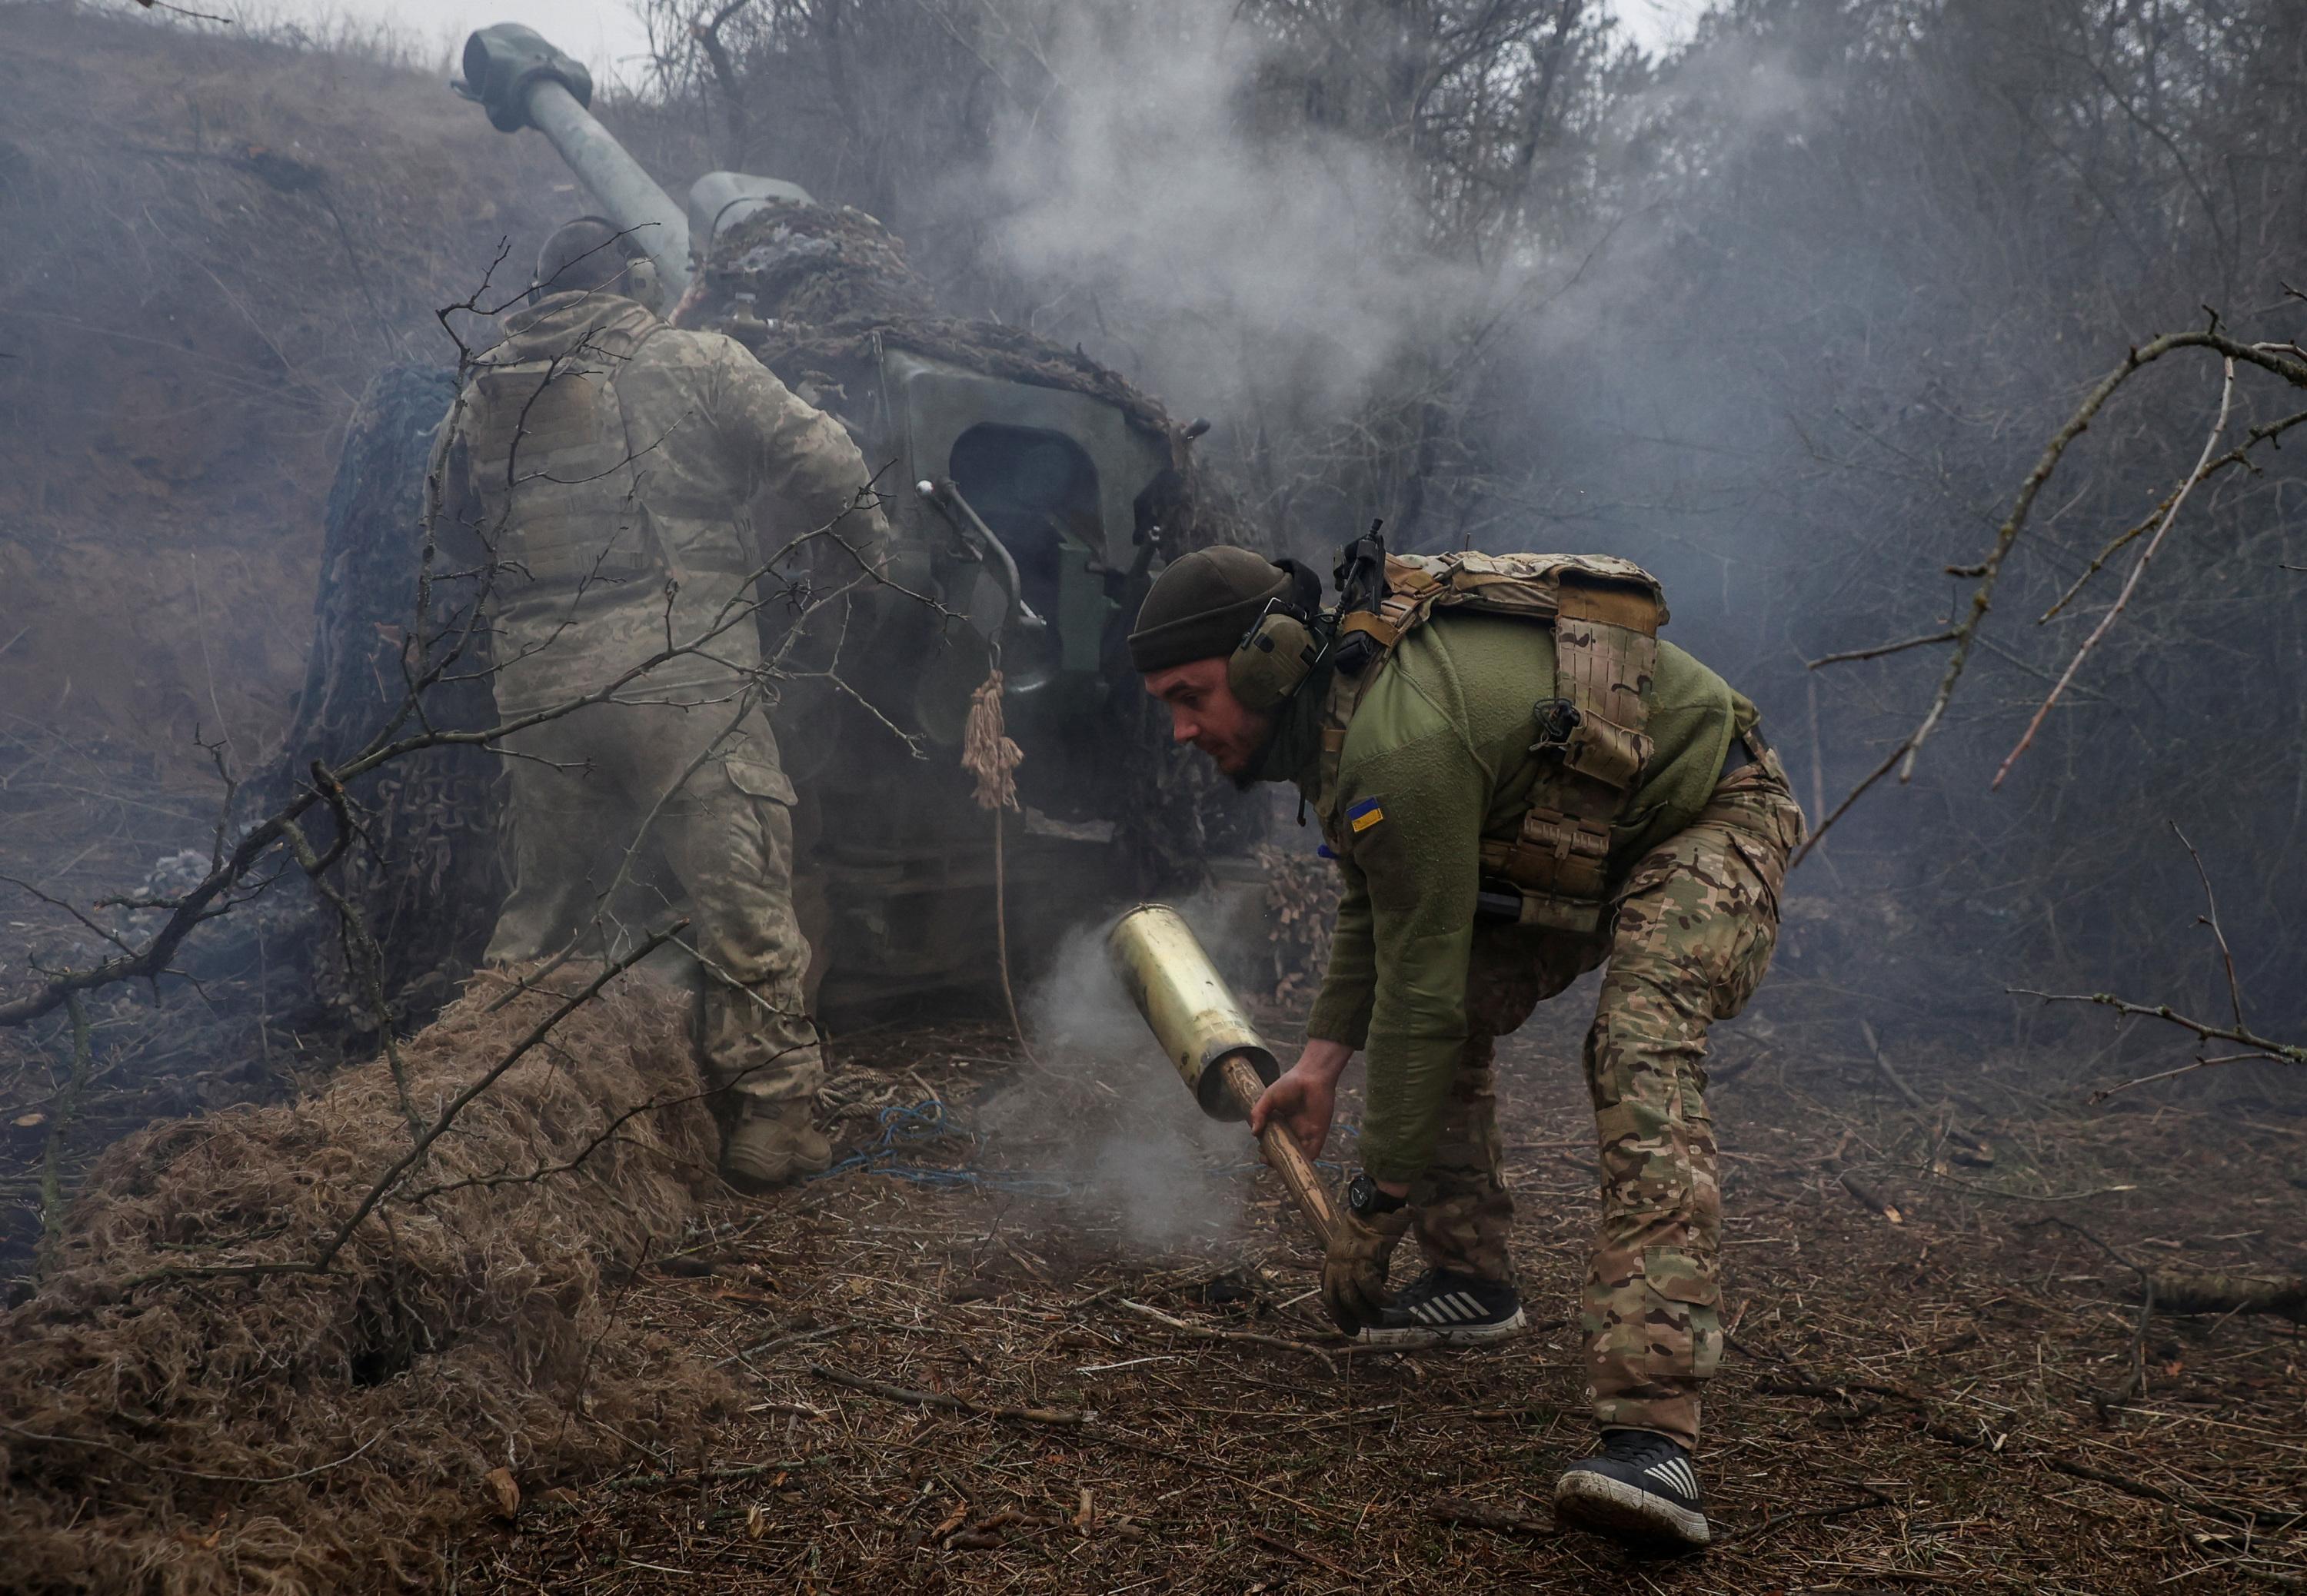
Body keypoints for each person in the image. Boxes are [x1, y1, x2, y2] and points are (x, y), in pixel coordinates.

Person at [1130, 540, 1803, 1549]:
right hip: (1583, 842)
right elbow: (1378, 900)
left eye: (1190, 695)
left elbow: (1422, 989)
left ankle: (1653, 1436)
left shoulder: (1397, 739)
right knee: (1460, 1005)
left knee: (1636, 1046)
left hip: (1713, 810)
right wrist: (1317, 1064)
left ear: (1269, 658)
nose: (1180, 729)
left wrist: (1376, 1204)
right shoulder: (1342, 723)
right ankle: (1472, 1279)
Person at [424, 216, 887, 1191]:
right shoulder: (694, 361)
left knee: (547, 909)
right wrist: (868, 560)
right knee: (740, 897)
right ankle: (773, 1122)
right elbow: (832, 464)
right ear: (634, 280)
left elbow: (445, 535)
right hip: (683, 681)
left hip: (541, 689)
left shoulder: (483, 395)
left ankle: (476, 1105)